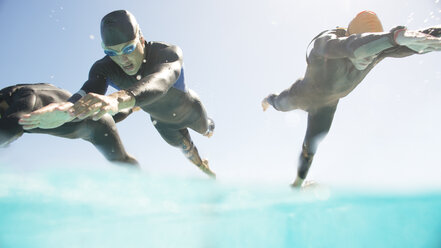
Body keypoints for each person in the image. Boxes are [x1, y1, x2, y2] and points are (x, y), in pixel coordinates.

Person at [18, 10, 216, 178]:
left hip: (190, 110)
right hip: (161, 122)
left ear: (141, 39)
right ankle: (205, 169)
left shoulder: (166, 53)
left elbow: (160, 82)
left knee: (208, 131)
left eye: (129, 48)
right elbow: (89, 89)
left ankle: (208, 127)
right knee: (187, 150)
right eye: (112, 52)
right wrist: (68, 108)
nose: (123, 59)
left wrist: (116, 100)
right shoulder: (104, 67)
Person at [261, 11, 441, 187]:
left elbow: (411, 41)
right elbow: (347, 45)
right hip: (301, 95)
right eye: (366, 52)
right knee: (279, 103)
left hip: (326, 106)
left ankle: (297, 183)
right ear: (350, 35)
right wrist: (392, 38)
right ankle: (268, 99)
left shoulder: (376, 50)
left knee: (311, 147)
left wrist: (408, 38)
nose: (368, 59)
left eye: (372, 53)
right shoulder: (327, 43)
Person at [0, 83, 138, 165]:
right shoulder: (23, 91)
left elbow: (12, 125)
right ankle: (134, 107)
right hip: (87, 117)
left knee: (121, 162)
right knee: (105, 115)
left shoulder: (26, 97)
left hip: (97, 126)